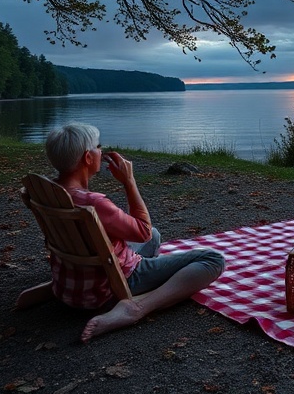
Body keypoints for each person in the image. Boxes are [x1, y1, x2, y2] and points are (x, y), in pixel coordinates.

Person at [44, 123, 225, 342]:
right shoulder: (93, 204)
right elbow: (142, 232)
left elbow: (148, 236)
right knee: (213, 259)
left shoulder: (48, 192)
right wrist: (129, 182)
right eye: (98, 147)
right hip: (110, 284)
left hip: (70, 286)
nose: (102, 151)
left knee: (156, 236)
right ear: (88, 158)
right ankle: (137, 307)